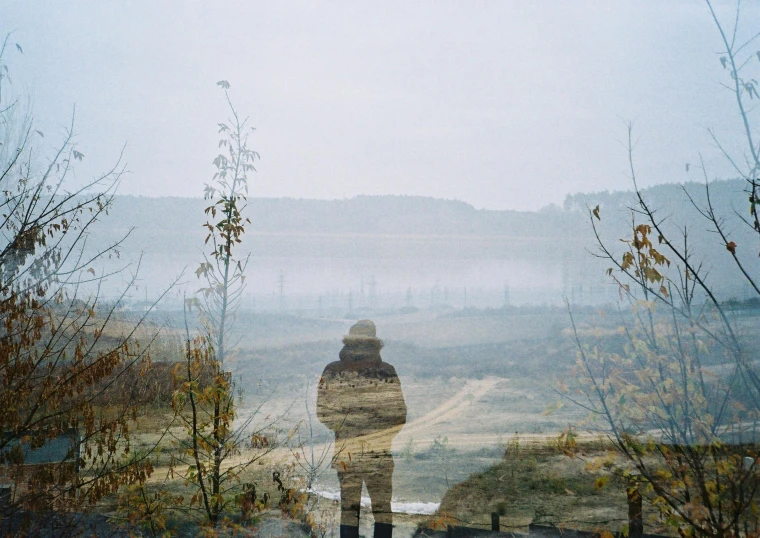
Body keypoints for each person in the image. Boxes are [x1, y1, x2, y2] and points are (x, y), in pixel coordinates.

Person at [317, 320, 407, 538]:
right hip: (379, 452)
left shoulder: (333, 371)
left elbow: (324, 412)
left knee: (349, 510)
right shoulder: (386, 372)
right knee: (383, 510)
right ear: (375, 344)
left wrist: (349, 430)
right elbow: (398, 415)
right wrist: (376, 434)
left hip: (348, 452)